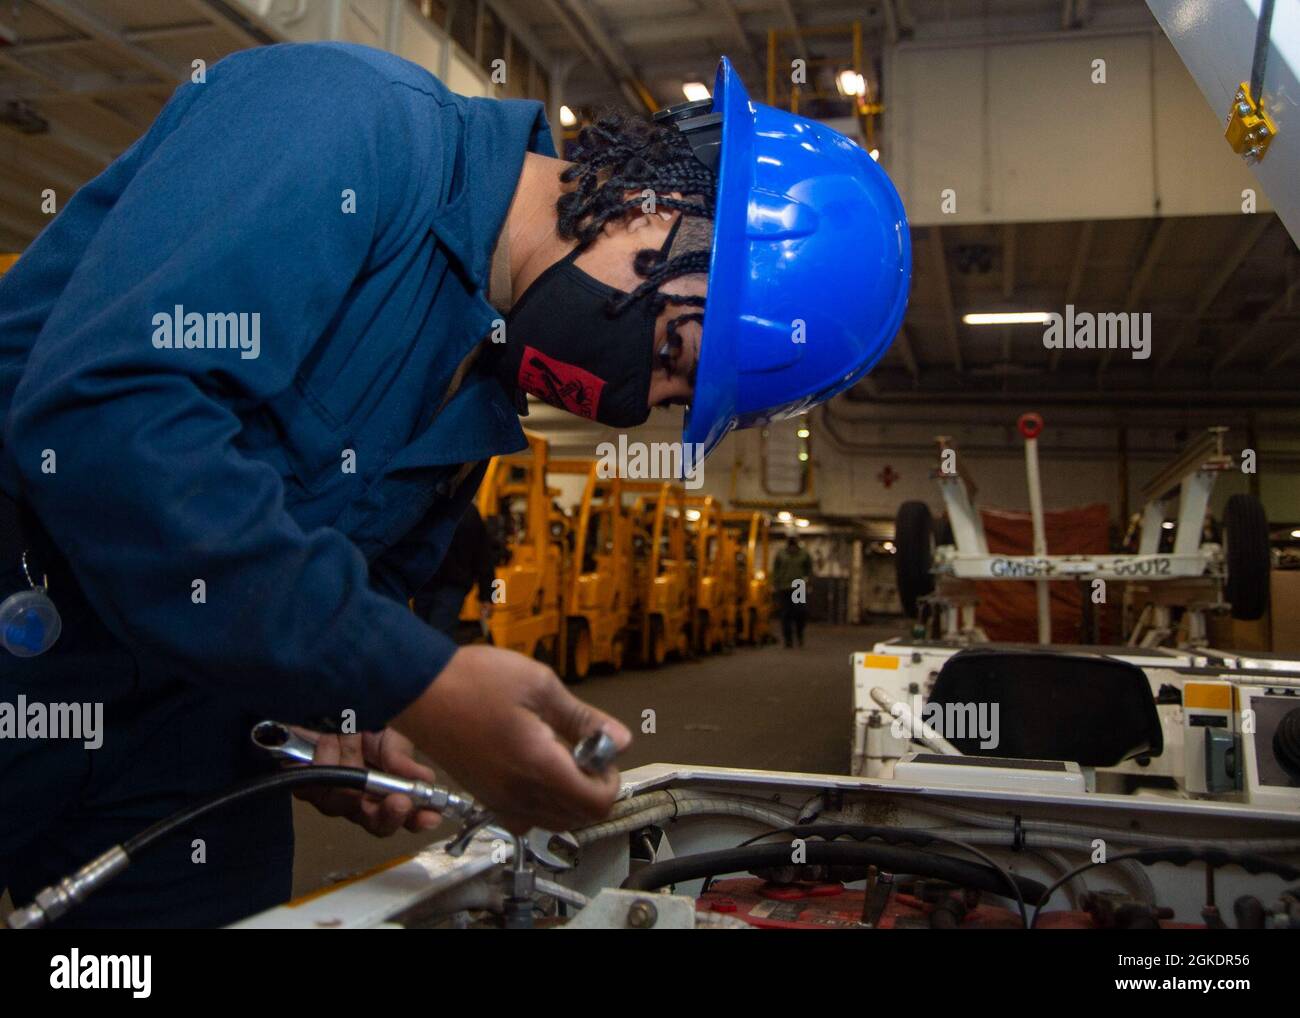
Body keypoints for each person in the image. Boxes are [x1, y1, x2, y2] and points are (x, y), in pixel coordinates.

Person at [0, 43, 909, 926]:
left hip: (174, 742)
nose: (635, 403)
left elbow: (353, 575)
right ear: (655, 203)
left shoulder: (480, 387)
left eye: (673, 402)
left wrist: (346, 719)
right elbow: (109, 415)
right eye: (672, 351)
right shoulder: (342, 121)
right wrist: (413, 682)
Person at [413, 504, 497, 639]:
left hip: (442, 584)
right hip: (434, 585)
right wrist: (488, 597)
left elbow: (483, 556)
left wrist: (488, 596)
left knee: (432, 636)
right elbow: (484, 557)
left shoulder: (430, 508)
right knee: (428, 635)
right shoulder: (468, 512)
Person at [773, 536, 814, 648]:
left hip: (798, 587)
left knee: (800, 612)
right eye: (790, 547)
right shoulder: (781, 555)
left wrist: (809, 581)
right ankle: (788, 640)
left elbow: (809, 569)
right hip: (784, 587)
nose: (792, 549)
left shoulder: (804, 555)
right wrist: (775, 583)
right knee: (786, 614)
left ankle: (800, 635)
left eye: (794, 547)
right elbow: (776, 569)